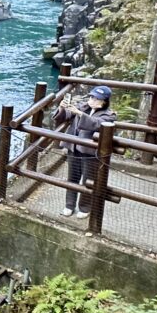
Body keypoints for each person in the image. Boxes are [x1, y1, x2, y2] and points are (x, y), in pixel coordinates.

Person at [53, 85, 116, 219]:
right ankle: (69, 205)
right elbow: (65, 116)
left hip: (90, 153)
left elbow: (97, 124)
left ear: (104, 102)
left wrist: (80, 113)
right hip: (73, 148)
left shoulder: (109, 115)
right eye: (92, 97)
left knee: (88, 181)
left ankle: (84, 207)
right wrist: (62, 108)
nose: (92, 100)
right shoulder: (83, 106)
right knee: (72, 178)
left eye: (96, 98)